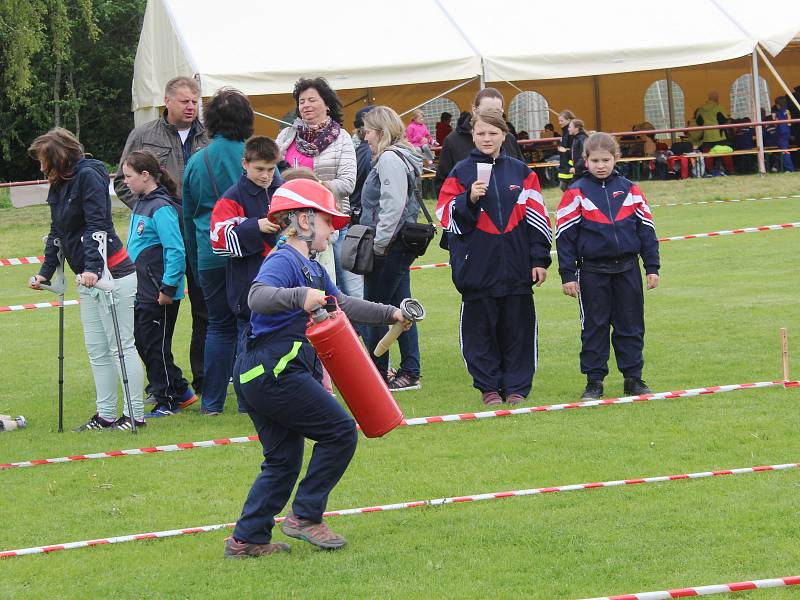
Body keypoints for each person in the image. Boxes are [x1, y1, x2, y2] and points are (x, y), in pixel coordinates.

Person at [224, 178, 410, 558]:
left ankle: (247, 540)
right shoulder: (283, 260)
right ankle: (305, 517)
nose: (333, 230)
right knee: (341, 431)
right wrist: (299, 297)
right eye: (329, 222)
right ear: (305, 221)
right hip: (274, 371)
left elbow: (341, 303)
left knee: (282, 460)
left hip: (261, 374)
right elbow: (256, 297)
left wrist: (391, 312)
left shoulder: (311, 267)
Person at [29, 128, 145, 430]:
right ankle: (106, 414)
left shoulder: (89, 175)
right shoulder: (59, 184)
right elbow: (58, 232)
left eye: (44, 161)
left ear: (59, 157)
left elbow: (99, 225)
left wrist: (94, 267)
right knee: (97, 350)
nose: (41, 168)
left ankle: (135, 415)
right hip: (88, 277)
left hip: (113, 274)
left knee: (122, 347)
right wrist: (45, 272)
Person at [436, 108, 552, 407]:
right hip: (477, 270)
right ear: (472, 135)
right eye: (481, 133)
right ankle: (488, 388)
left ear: (504, 135)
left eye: (493, 133)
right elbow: (445, 217)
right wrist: (469, 199)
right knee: (480, 333)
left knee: (518, 331)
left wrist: (539, 259)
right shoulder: (460, 172)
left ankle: (516, 387)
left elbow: (538, 219)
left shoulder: (521, 172)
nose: (487, 138)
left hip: (517, 269)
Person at [114, 75, 208, 398]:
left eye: (195, 101)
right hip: (160, 245)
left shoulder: (208, 137)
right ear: (166, 101)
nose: (191, 107)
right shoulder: (143, 135)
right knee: (155, 318)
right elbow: (121, 181)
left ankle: (205, 379)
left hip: (201, 238)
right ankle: (163, 382)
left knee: (204, 312)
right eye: (184, 101)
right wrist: (152, 210)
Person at [555, 132, 660, 401]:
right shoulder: (575, 192)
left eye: (606, 160)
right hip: (591, 271)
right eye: (595, 160)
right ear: (585, 160)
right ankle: (594, 381)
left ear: (616, 159)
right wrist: (567, 274)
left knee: (631, 324)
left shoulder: (630, 189)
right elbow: (564, 237)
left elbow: (647, 230)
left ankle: (633, 378)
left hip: (627, 269)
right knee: (594, 326)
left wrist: (652, 267)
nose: (600, 165)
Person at [183, 87, 254, 415]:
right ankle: (246, 399)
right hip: (248, 253)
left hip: (209, 253)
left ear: (209, 120)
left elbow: (188, 216)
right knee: (247, 325)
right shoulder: (256, 158)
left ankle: (211, 402)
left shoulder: (196, 161)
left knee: (217, 326)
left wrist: (195, 264)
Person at [121, 150, 197, 417]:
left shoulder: (161, 208)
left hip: (159, 291)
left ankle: (167, 401)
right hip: (142, 289)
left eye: (128, 176)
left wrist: (167, 288)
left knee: (155, 345)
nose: (125, 181)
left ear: (145, 176)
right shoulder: (142, 202)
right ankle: (182, 391)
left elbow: (175, 250)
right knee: (143, 342)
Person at [361, 106, 424, 392]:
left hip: (390, 244)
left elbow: (392, 205)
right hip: (401, 242)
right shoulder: (404, 155)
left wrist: (379, 245)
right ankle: (410, 370)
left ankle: (377, 373)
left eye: (368, 130)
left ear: (381, 132)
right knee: (402, 307)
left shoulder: (389, 158)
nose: (365, 136)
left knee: (375, 310)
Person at [275, 77, 357, 292]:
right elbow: (273, 171)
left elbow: (348, 183)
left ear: (327, 104)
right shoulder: (286, 135)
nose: (306, 105)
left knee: (340, 290)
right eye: (301, 101)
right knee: (297, 284)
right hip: (293, 224)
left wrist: (314, 187)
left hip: (332, 224)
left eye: (312, 100)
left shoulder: (342, 138)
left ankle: (345, 326)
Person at [210, 136, 283, 349]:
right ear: (245, 164)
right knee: (250, 352)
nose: (266, 175)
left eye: (271, 169)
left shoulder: (285, 190)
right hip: (248, 285)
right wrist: (255, 226)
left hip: (285, 282)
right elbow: (218, 243)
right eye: (259, 169)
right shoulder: (232, 197)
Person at [434, 88, 525, 198]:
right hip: (469, 212)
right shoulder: (453, 141)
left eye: (497, 112)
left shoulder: (509, 138)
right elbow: (442, 187)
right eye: (487, 111)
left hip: (510, 211)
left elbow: (522, 176)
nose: (492, 116)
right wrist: (468, 200)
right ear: (474, 109)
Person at [772, 96, 795, 173]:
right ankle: (780, 167)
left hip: (781, 133)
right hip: (787, 132)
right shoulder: (787, 111)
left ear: (778, 104)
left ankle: (789, 168)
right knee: (784, 151)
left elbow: (776, 123)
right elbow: (789, 123)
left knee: (784, 151)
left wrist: (775, 119)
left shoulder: (780, 112)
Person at [556, 109, 577, 191]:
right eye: (559, 121)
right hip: (564, 163)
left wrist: (566, 150)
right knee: (565, 186)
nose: (560, 123)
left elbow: (575, 147)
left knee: (565, 186)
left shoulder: (571, 132)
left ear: (569, 120)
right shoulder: (565, 131)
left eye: (562, 121)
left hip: (570, 163)